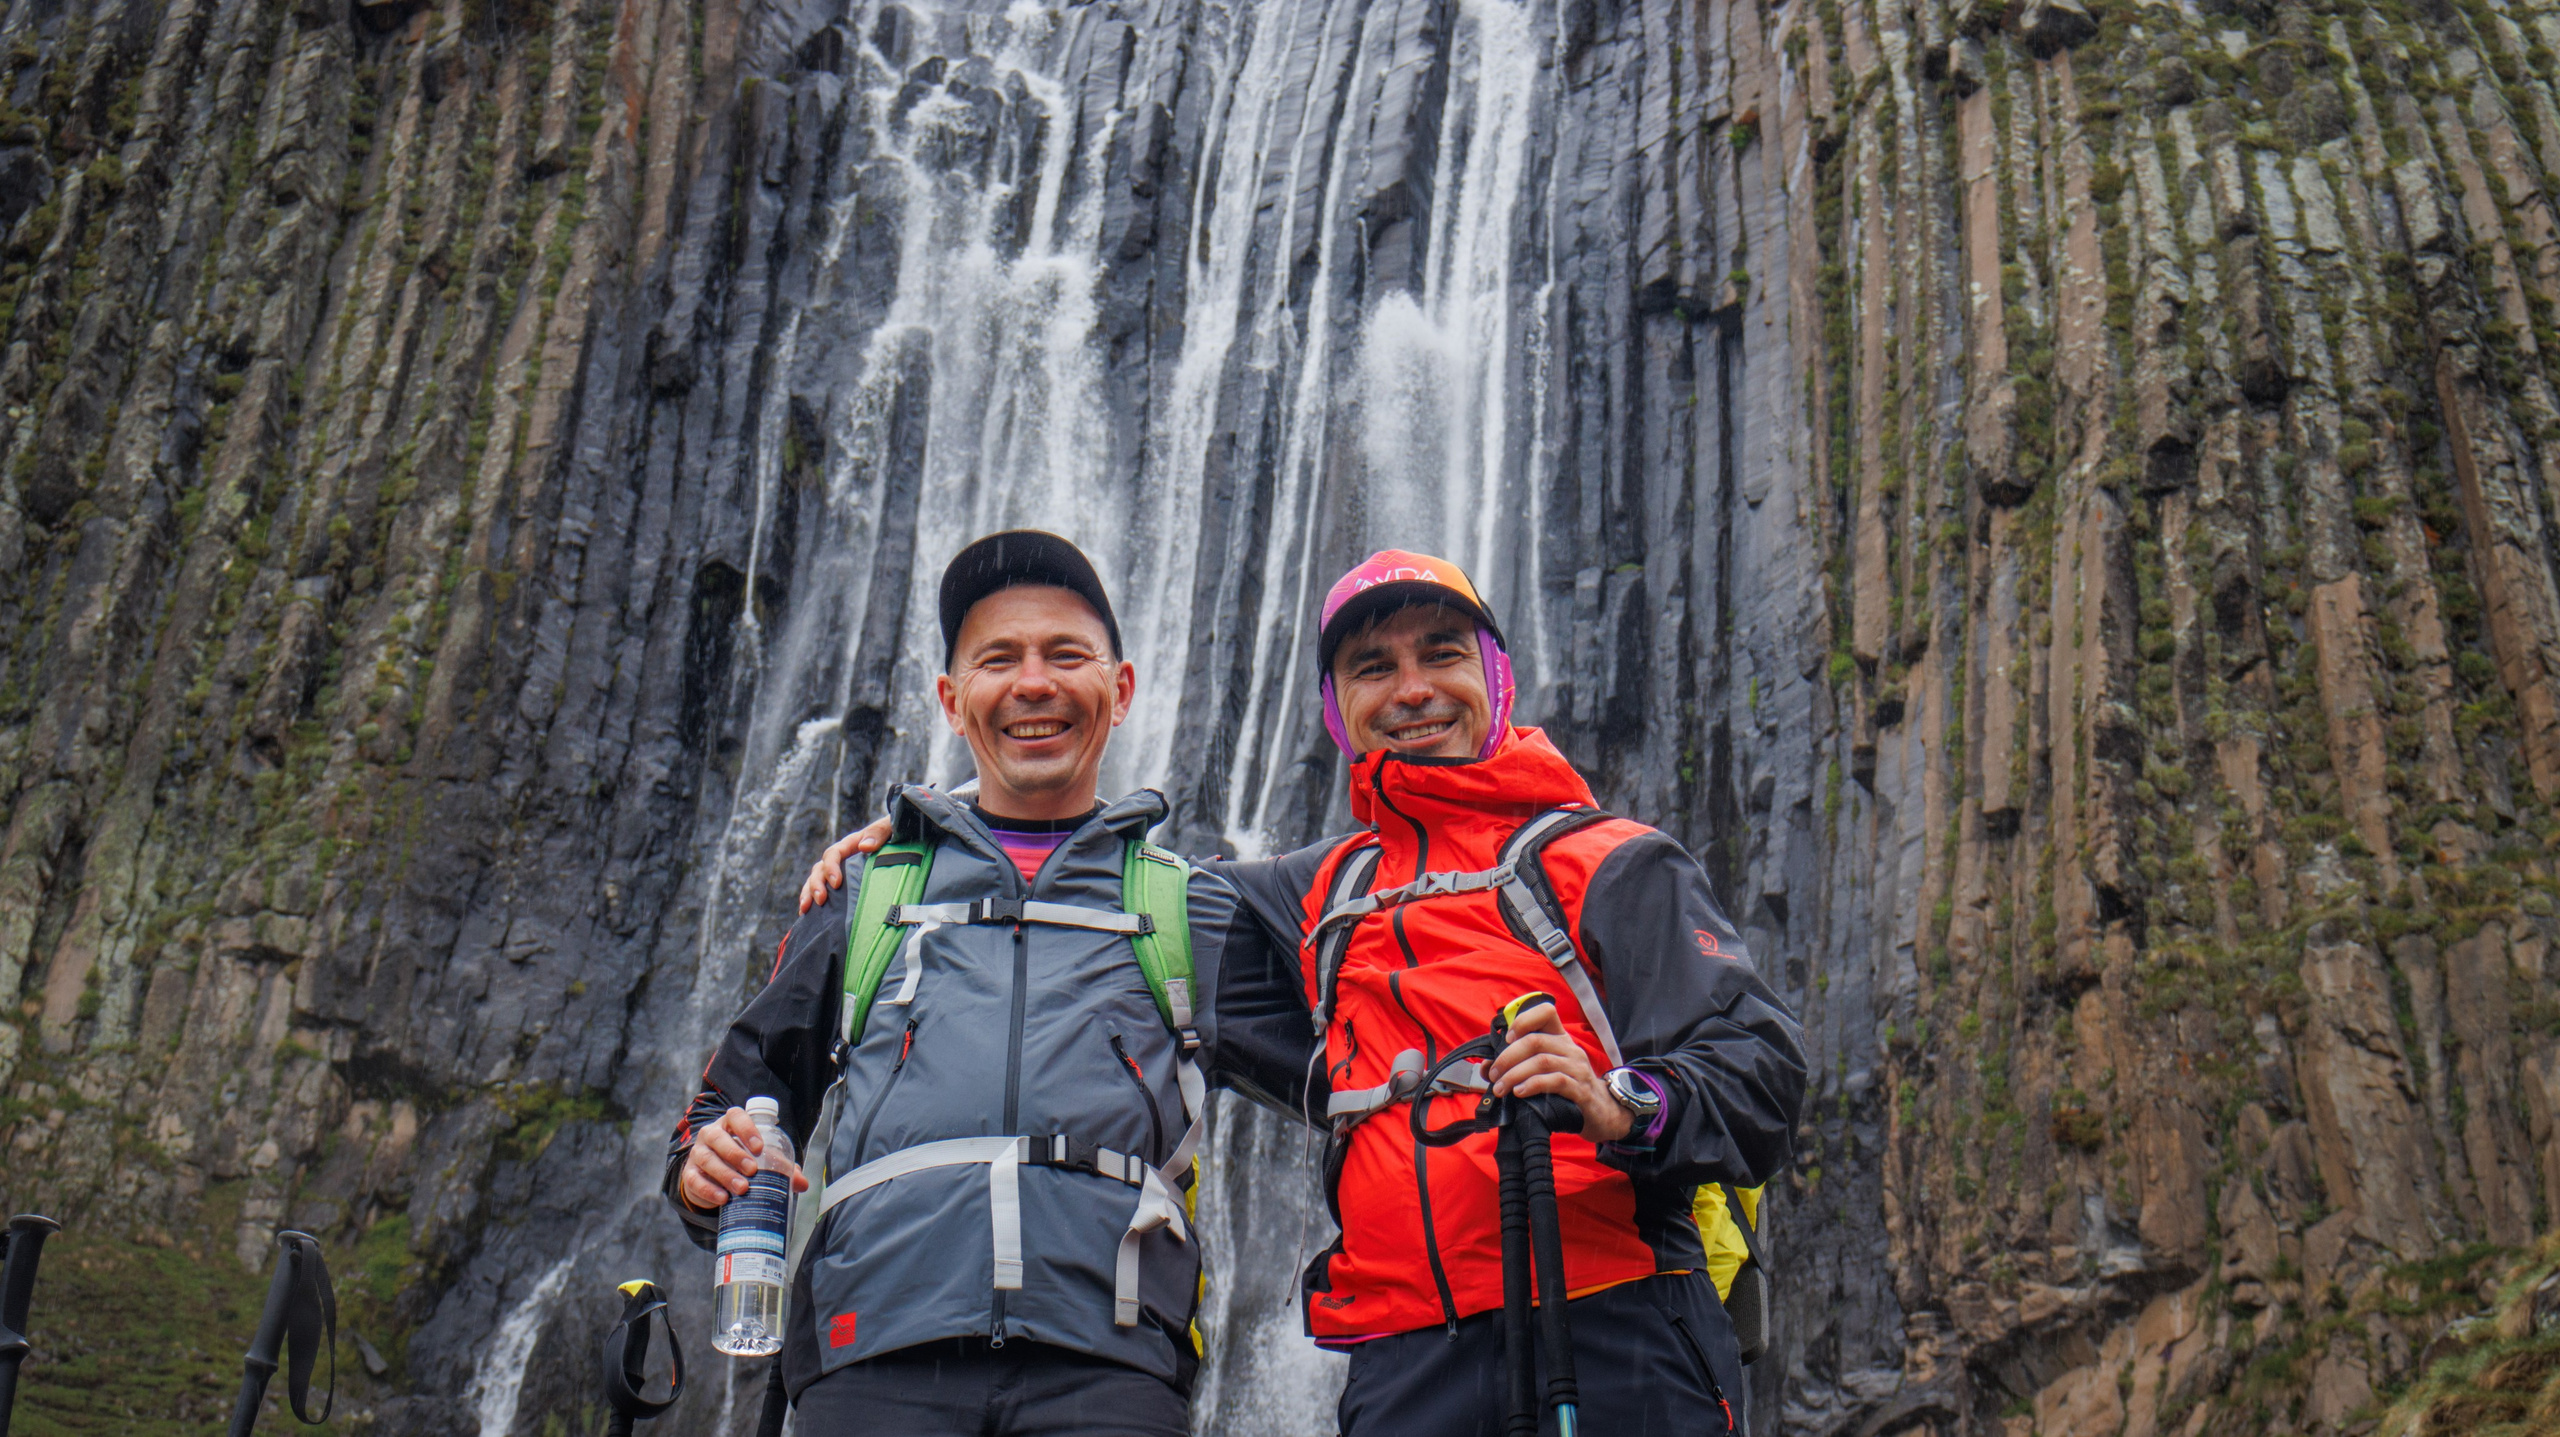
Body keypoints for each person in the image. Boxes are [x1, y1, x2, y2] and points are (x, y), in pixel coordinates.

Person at [805, 549, 1807, 1436]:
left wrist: (1618, 1098)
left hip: (1616, 1318)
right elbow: (1091, 891)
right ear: (1338, 707)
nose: (1412, 689)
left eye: (1442, 654)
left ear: (1495, 677)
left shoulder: (1612, 861)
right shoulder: (1311, 893)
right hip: (1403, 1360)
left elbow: (1758, 1067)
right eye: (1373, 667)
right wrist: (944, 840)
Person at [667, 531, 1315, 1436]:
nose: (1033, 683)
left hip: (1109, 1372)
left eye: (1066, 654)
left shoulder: (1191, 909)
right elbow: (726, 1109)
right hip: (870, 1359)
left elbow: (1361, 1069)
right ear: (951, 698)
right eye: (999, 658)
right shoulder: (866, 895)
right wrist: (703, 1168)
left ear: (1122, 688)